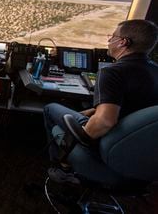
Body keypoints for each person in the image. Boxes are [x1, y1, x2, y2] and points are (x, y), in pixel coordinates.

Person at [44, 19, 158, 183]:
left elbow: (105, 121)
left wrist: (77, 140)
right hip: (141, 155)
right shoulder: (155, 71)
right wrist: (93, 111)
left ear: (123, 42)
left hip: (109, 144)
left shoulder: (113, 72)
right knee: (83, 111)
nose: (109, 40)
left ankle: (62, 166)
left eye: (112, 36)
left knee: (51, 108)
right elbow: (137, 110)